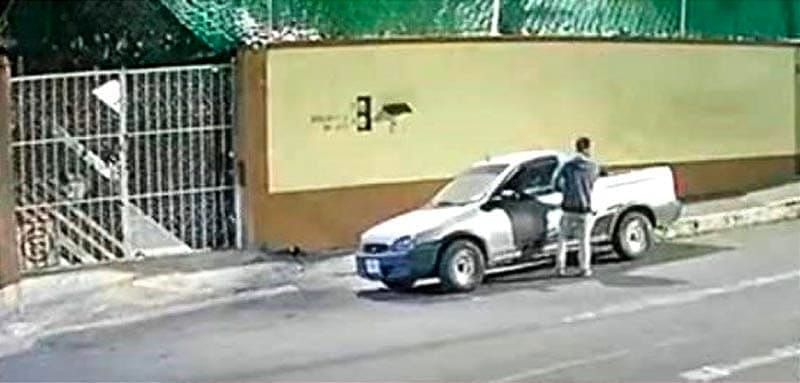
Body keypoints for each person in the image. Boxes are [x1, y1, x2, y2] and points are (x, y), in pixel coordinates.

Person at [554, 137, 601, 277]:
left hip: (568, 208)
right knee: (584, 241)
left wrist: (567, 191)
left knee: (562, 239)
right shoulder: (593, 167)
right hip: (585, 208)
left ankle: (560, 267)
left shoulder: (567, 166)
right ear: (587, 149)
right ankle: (584, 268)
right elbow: (594, 185)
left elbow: (556, 184)